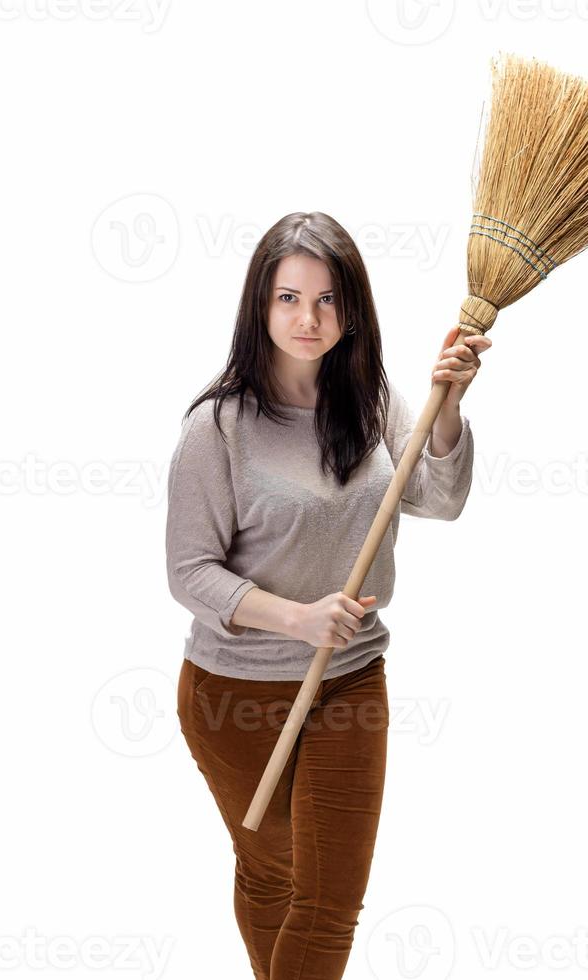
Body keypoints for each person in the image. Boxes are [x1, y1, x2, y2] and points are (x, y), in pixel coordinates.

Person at [165, 211, 491, 980]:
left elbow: (437, 499)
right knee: (273, 872)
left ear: (352, 308)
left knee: (328, 896)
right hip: (233, 694)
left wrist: (447, 404)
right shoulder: (219, 428)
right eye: (287, 298)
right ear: (259, 307)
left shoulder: (371, 399)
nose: (308, 319)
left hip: (349, 683)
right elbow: (189, 571)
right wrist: (297, 617)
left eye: (326, 300)